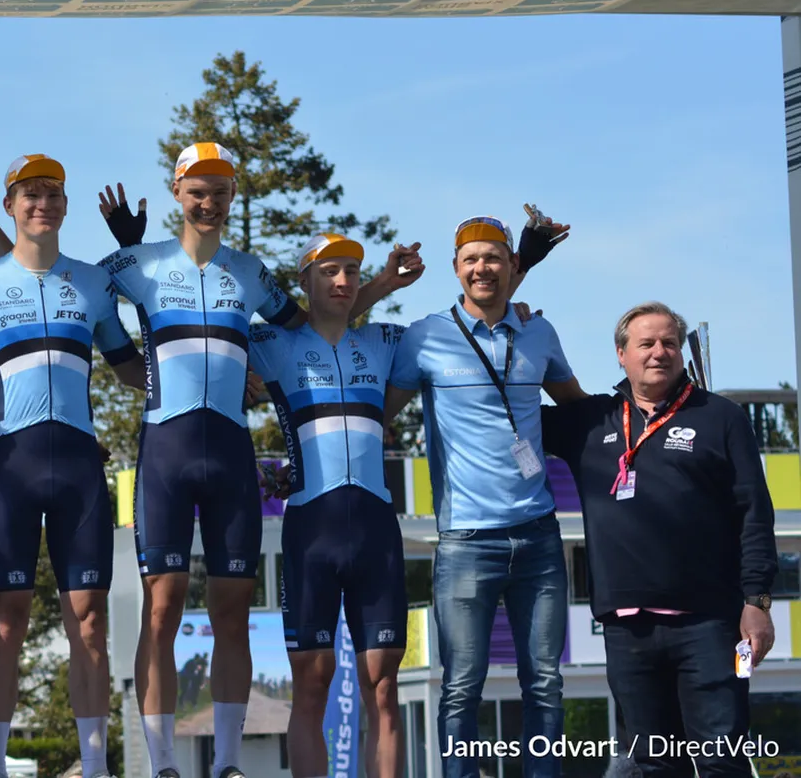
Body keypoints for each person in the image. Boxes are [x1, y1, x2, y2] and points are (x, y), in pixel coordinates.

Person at [96, 143, 418, 778]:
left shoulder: (253, 273)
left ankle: (225, 765)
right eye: (197, 190)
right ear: (176, 191)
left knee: (232, 613)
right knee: (161, 609)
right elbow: (73, 295)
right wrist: (136, 371)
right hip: (165, 451)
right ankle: (161, 763)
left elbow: (319, 323)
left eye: (220, 191)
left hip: (231, 457)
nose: (208, 202)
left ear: (233, 196)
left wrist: (376, 284)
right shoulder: (138, 263)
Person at [0, 155, 146, 778]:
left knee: (90, 623)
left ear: (65, 206)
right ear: (11, 205)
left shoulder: (91, 282)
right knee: (7, 621)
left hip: (80, 468)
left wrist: (209, 370)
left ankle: (94, 768)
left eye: (53, 194)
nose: (43, 203)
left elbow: (132, 368)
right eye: (30, 194)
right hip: (10, 464)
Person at [541, 302, 777, 777]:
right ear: (621, 354)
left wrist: (758, 599)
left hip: (711, 622)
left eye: (669, 342)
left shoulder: (721, 416)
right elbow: (506, 404)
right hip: (626, 627)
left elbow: (754, 512)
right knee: (651, 766)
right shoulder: (590, 420)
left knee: (722, 761)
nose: (659, 352)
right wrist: (519, 323)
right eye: (646, 343)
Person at [384, 214, 582, 778]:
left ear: (511, 267)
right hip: (466, 541)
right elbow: (377, 416)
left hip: (540, 536)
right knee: (462, 687)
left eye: (493, 257)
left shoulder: (538, 332)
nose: (482, 268)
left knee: (544, 682)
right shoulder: (424, 336)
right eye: (470, 259)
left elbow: (579, 407)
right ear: (455, 269)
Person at [249, 232, 423, 778]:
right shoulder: (271, 344)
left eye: (352, 270)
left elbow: (476, 321)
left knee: (384, 686)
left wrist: (520, 282)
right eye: (329, 271)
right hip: (310, 530)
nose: (343, 281)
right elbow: (188, 349)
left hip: (376, 528)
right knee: (312, 682)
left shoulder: (389, 341)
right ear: (304, 282)